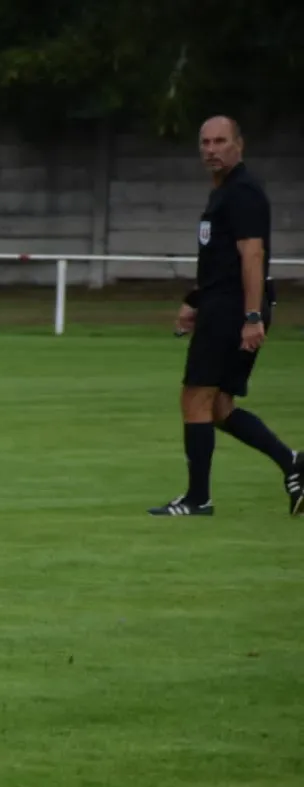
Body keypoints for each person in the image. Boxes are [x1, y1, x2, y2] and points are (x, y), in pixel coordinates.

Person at [151, 115, 301, 517]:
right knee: (218, 407)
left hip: (233, 310)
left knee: (195, 397)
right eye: (205, 143)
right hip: (223, 304)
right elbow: (221, 262)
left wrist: (251, 316)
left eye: (220, 141)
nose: (211, 150)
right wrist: (195, 299)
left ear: (239, 145)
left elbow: (252, 256)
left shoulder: (243, 192)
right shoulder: (223, 192)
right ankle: (293, 463)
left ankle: (198, 499)